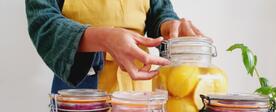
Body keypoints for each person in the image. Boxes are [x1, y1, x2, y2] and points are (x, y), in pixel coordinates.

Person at [25, 0, 204, 94]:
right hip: (80, 93)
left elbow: (160, 11)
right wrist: (103, 38)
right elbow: (43, 23)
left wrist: (168, 25)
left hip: (140, 92)